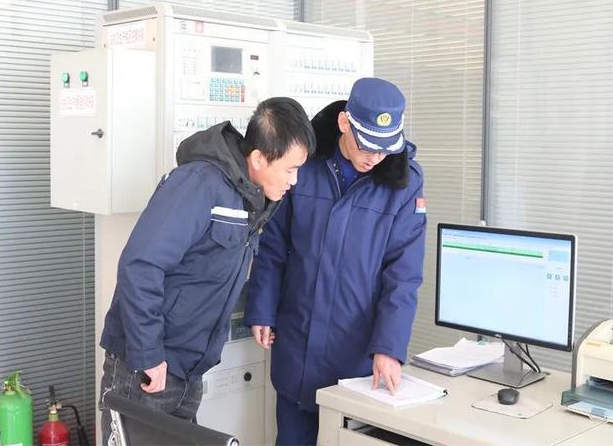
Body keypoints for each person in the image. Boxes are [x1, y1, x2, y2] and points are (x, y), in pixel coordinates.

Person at [98, 97, 316, 444]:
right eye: (290, 169)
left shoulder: (251, 198)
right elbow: (140, 265)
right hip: (147, 367)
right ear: (258, 158)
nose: (295, 180)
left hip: (187, 371)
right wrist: (149, 354)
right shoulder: (198, 184)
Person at [245, 77, 427, 445]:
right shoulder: (304, 164)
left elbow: (403, 276)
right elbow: (274, 244)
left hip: (356, 353)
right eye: (366, 146)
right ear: (344, 123)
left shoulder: (403, 185)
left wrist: (389, 348)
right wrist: (262, 308)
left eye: (384, 149)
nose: (374, 158)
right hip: (297, 340)